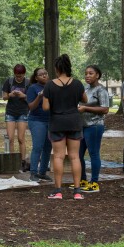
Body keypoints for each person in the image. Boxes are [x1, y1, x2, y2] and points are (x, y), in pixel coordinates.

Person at [42, 54, 88, 200]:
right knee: (75, 157)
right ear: (69, 67)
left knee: (58, 156)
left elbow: (45, 107)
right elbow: (85, 99)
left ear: (56, 68)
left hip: (57, 123)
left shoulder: (49, 85)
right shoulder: (77, 83)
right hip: (74, 122)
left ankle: (58, 190)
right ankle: (77, 191)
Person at [79, 65, 110, 193]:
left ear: (97, 75)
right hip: (83, 126)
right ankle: (83, 180)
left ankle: (94, 183)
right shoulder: (86, 89)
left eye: (91, 73)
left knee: (93, 153)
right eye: (86, 73)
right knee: (78, 154)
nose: (87, 76)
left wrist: (85, 108)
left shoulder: (101, 90)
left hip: (95, 126)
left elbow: (105, 109)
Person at [2, 64, 30, 172]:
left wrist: (24, 96)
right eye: (17, 76)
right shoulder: (9, 81)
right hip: (10, 112)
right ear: (14, 74)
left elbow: (31, 97)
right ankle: (13, 160)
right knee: (10, 138)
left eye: (21, 76)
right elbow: (4, 97)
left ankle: (23, 161)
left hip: (22, 112)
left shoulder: (28, 83)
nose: (19, 78)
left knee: (21, 138)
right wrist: (11, 94)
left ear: (24, 74)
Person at [26, 67, 52, 182]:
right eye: (41, 75)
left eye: (45, 73)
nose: (44, 76)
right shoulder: (33, 88)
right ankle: (33, 172)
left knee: (48, 147)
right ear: (36, 77)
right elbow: (31, 107)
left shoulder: (51, 87)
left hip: (50, 120)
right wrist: (39, 96)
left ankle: (42, 172)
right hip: (37, 120)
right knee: (38, 147)